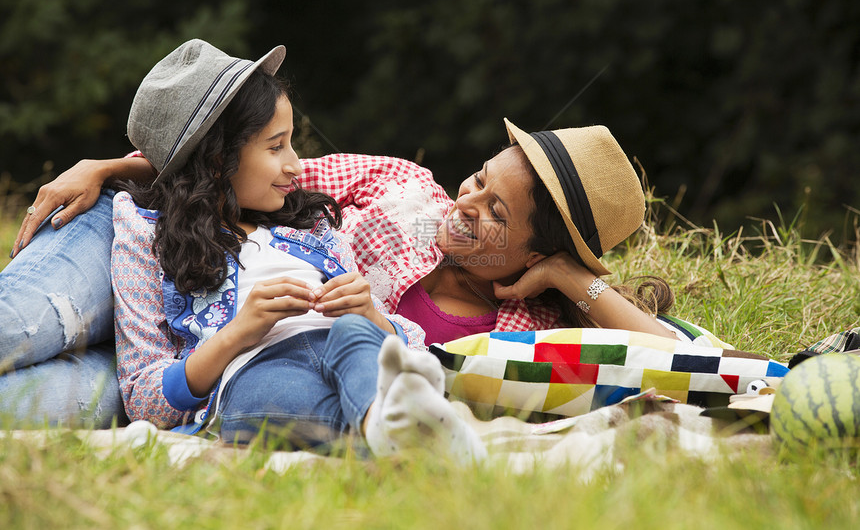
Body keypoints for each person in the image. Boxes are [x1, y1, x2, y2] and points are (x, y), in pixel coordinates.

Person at [1, 44, 681, 429]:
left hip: (184, 370)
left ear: (538, 252)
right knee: (18, 324)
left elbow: (672, 359)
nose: (465, 201)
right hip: (156, 243)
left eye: (497, 213)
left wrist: (570, 278)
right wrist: (111, 166)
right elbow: (244, 166)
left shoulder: (517, 330)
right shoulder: (404, 186)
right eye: (478, 177)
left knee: (35, 408)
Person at [106, 38, 486, 460]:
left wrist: (373, 315)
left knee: (353, 334)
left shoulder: (311, 224)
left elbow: (410, 341)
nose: (296, 165)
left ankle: (387, 424)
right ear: (217, 159)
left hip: (347, 344)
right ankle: (398, 431)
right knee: (272, 395)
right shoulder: (146, 233)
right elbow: (142, 397)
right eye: (276, 146)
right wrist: (238, 334)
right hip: (250, 370)